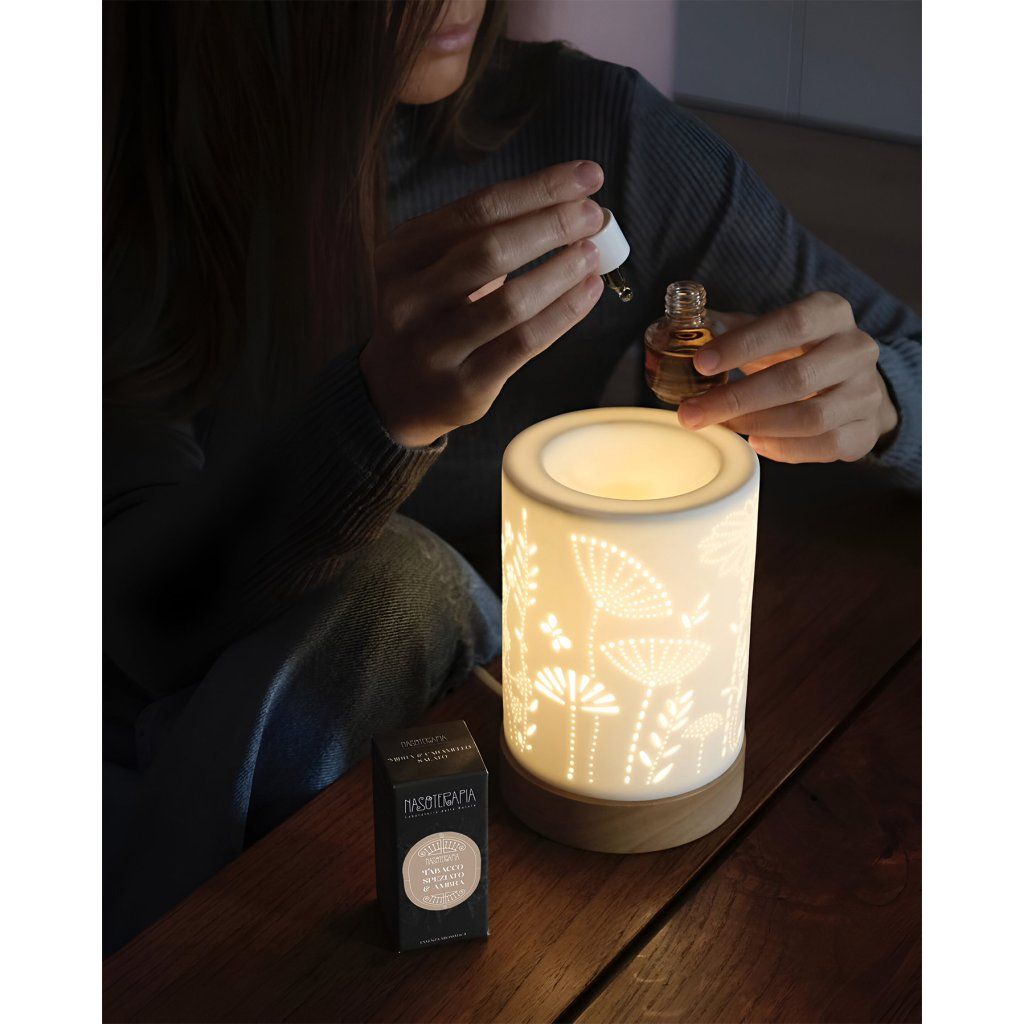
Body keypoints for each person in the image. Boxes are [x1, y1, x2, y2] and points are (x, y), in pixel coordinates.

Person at [103, 0, 921, 950]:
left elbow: (915, 356)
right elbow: (138, 626)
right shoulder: (129, 175)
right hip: (210, 760)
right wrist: (373, 416)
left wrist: (884, 399)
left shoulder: (595, 129)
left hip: (528, 739)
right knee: (397, 584)